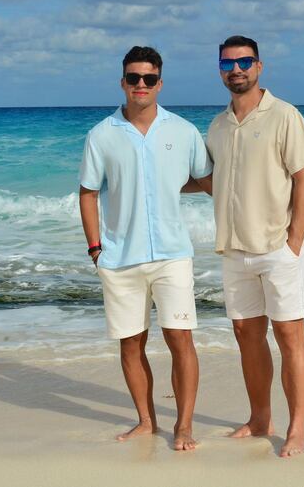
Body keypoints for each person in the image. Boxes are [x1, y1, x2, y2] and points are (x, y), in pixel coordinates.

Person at [78, 46, 213, 451]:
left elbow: (206, 181)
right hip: (120, 258)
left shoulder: (183, 130)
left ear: (159, 83)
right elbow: (87, 193)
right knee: (131, 343)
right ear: (122, 82)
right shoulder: (101, 134)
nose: (141, 85)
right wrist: (96, 249)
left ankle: (184, 426)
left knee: (180, 339)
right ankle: (145, 421)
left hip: (173, 254)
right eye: (134, 78)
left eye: (149, 78)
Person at [204, 35, 304, 458]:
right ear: (219, 69)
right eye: (228, 63)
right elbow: (210, 181)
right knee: (246, 335)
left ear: (259, 66)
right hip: (234, 249)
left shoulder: (284, 115)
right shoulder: (217, 125)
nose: (236, 69)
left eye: (244, 61)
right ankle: (259, 419)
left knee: (290, 336)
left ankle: (297, 429)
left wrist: (294, 241)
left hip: (277, 247)